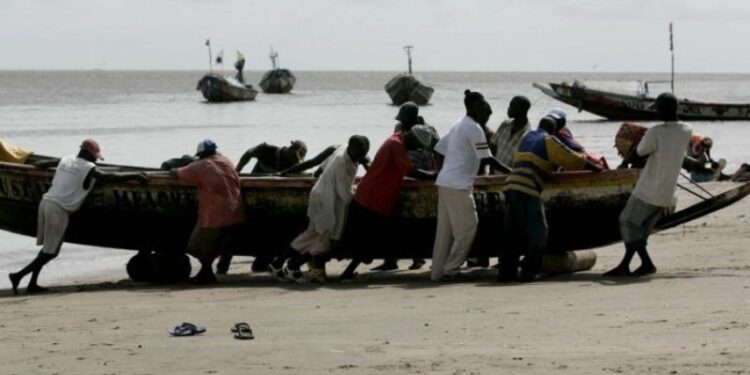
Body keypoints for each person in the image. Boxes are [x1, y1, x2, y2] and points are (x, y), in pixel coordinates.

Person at [9, 140, 148, 294]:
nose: (95, 160)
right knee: (50, 252)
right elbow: (109, 177)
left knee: (47, 249)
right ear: (89, 154)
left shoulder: (66, 159)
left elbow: (42, 163)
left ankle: (32, 284)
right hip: (58, 209)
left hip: (46, 203)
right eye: (95, 157)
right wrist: (135, 175)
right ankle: (17, 276)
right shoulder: (88, 167)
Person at [498, 116, 602, 283]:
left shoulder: (527, 137)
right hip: (527, 187)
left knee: (512, 233)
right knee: (539, 234)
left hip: (510, 185)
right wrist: (593, 166)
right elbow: (571, 158)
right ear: (554, 130)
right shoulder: (549, 139)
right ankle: (528, 271)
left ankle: (505, 273)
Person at [604, 93, 692, 277]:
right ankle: (626, 264)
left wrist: (625, 161)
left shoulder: (655, 132)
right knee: (640, 228)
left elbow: (639, 152)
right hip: (668, 191)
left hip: (650, 188)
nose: (656, 113)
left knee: (627, 221)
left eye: (658, 109)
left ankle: (646, 263)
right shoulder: (686, 129)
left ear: (663, 110)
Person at [430, 90, 511, 282]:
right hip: (458, 184)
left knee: (445, 231)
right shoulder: (474, 128)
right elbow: (487, 158)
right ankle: (451, 270)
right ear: (474, 107)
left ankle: (438, 272)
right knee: (468, 227)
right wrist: (512, 171)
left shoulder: (458, 124)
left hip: (445, 181)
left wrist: (443, 170)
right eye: (483, 106)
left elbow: (438, 149)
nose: (485, 110)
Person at [339, 125, 436, 280]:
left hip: (370, 195)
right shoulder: (397, 145)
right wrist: (435, 176)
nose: (416, 150)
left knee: (366, 238)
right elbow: (409, 171)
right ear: (412, 139)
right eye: (417, 146)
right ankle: (347, 272)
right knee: (369, 238)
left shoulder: (395, 139)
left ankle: (349, 271)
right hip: (373, 198)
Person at [224, 140, 337, 273]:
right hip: (250, 198)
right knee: (236, 230)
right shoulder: (267, 150)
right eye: (294, 157)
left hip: (271, 205)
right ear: (289, 149)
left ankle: (261, 263)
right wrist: (238, 170)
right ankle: (224, 263)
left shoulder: (295, 165)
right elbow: (249, 153)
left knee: (273, 233)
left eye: (298, 160)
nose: (296, 161)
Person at [268, 136, 371, 283]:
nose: (361, 158)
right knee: (324, 240)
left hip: (320, 195)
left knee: (310, 234)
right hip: (328, 202)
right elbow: (346, 195)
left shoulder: (340, 148)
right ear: (353, 149)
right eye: (360, 154)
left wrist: (284, 173)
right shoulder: (344, 165)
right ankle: (293, 266)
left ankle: (277, 264)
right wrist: (359, 190)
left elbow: (319, 169)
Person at [175, 140, 247, 284]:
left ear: (201, 154)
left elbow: (178, 174)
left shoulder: (201, 166)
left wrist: (175, 169)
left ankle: (206, 273)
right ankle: (206, 273)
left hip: (215, 215)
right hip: (236, 211)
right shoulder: (226, 161)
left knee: (195, 246)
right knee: (214, 245)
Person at [490, 96, 532, 169]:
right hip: (495, 176)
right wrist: (491, 171)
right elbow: (493, 148)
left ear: (521, 110)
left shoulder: (528, 136)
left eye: (512, 106)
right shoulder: (504, 125)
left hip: (511, 178)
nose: (508, 109)